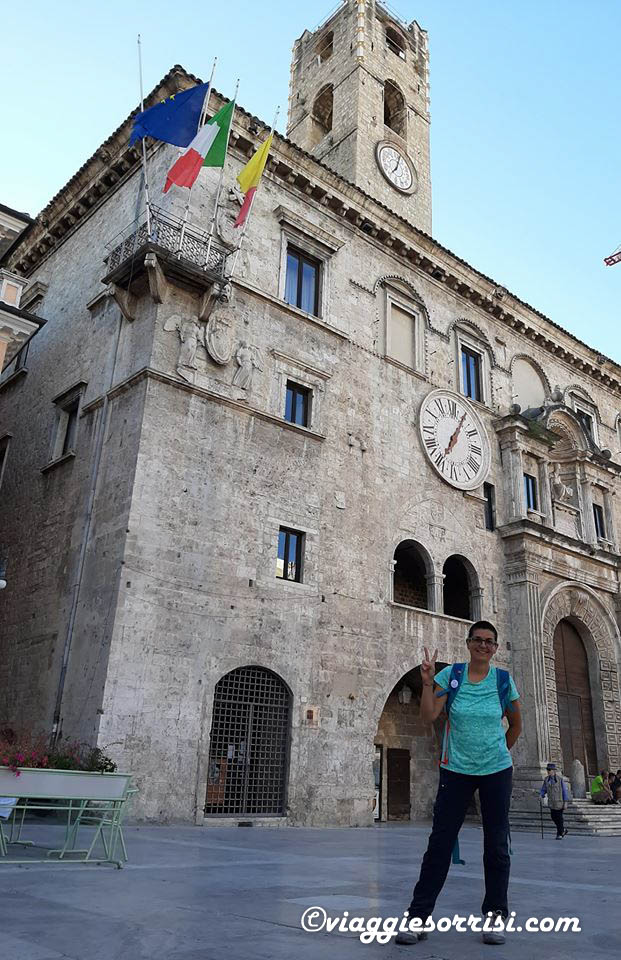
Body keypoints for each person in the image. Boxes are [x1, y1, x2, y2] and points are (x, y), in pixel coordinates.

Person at [396, 621, 522, 947]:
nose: (483, 646)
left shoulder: (503, 681)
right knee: (439, 843)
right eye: (478, 640)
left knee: (496, 844)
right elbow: (428, 716)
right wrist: (425, 683)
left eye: (489, 642)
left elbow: (516, 725)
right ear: (468, 643)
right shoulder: (449, 676)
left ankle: (495, 916)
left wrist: (495, 753)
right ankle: (417, 916)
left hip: (496, 770)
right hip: (456, 770)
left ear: (495, 648)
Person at [540, 763, 569, 838]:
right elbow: (544, 789)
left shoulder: (560, 779)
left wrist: (565, 802)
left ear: (553, 771)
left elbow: (564, 791)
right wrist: (541, 795)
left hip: (559, 802)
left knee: (559, 817)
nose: (548, 771)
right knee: (553, 817)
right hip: (552, 803)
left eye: (549, 770)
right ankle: (562, 831)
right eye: (547, 770)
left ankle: (560, 833)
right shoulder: (546, 780)